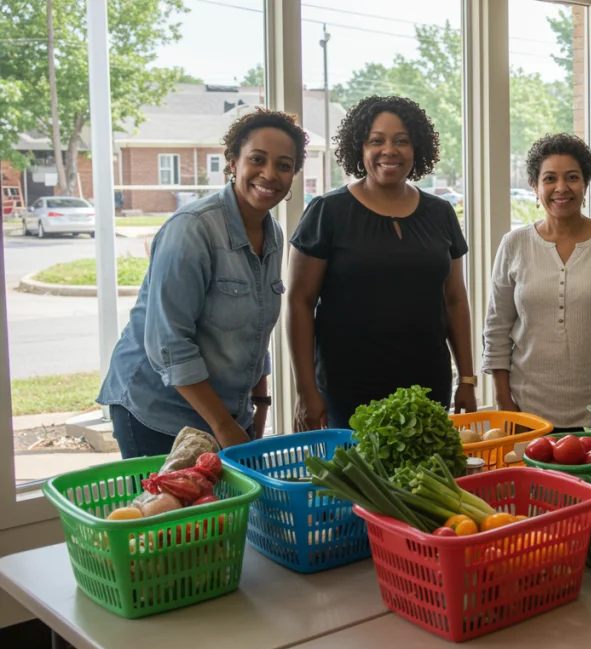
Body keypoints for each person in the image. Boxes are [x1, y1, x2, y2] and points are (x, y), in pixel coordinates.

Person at [97, 108, 307, 456]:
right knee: (169, 512)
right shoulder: (192, 228)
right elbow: (168, 343)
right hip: (159, 413)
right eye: (257, 159)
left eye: (284, 165)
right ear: (232, 161)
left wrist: (260, 403)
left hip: (224, 414)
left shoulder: (273, 233)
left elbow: (256, 328)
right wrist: (223, 426)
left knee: (224, 512)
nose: (269, 174)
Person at [288, 96, 477, 431]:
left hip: (427, 387)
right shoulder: (327, 212)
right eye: (376, 140)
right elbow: (299, 303)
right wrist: (305, 391)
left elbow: (455, 300)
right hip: (348, 390)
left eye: (401, 141)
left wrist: (467, 378)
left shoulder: (441, 213)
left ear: (417, 148)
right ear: (359, 148)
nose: (389, 150)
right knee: (354, 483)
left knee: (423, 482)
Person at [482, 133, 591, 430]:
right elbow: (497, 329)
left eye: (572, 177)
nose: (561, 188)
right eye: (549, 179)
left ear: (586, 185)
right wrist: (505, 403)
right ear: (534, 186)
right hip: (527, 412)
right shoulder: (513, 245)